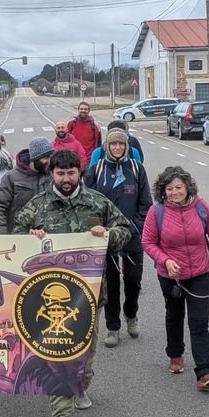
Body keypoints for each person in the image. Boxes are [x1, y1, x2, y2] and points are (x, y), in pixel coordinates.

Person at [13, 149, 131, 417]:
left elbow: (126, 231)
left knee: (85, 354)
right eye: (60, 173)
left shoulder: (97, 201)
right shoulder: (38, 205)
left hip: (90, 296)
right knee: (59, 352)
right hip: (47, 298)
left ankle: (80, 384)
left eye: (71, 173)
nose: (66, 179)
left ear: (80, 172)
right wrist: (31, 234)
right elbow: (16, 233)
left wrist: (106, 234)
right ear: (51, 174)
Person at [141, 166, 209, 391]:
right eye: (170, 189)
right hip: (171, 276)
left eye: (179, 187)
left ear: (187, 187)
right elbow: (147, 242)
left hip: (201, 273)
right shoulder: (157, 212)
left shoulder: (201, 207)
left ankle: (205, 372)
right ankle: (175, 354)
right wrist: (165, 260)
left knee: (199, 323)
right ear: (163, 191)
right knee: (174, 315)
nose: (175, 192)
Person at [85, 128, 152, 347]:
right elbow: (87, 202)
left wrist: (133, 227)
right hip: (106, 239)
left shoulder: (136, 169)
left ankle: (131, 315)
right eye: (113, 144)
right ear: (107, 146)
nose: (117, 148)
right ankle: (112, 328)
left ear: (126, 147)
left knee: (133, 282)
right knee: (111, 286)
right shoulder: (96, 170)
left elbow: (146, 204)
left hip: (132, 237)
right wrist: (97, 227)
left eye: (121, 145)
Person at [0, 137, 54, 235]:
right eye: (46, 158)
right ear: (35, 159)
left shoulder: (53, 176)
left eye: (51, 157)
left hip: (47, 237)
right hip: (19, 236)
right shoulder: (12, 177)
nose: (50, 161)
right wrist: (2, 236)